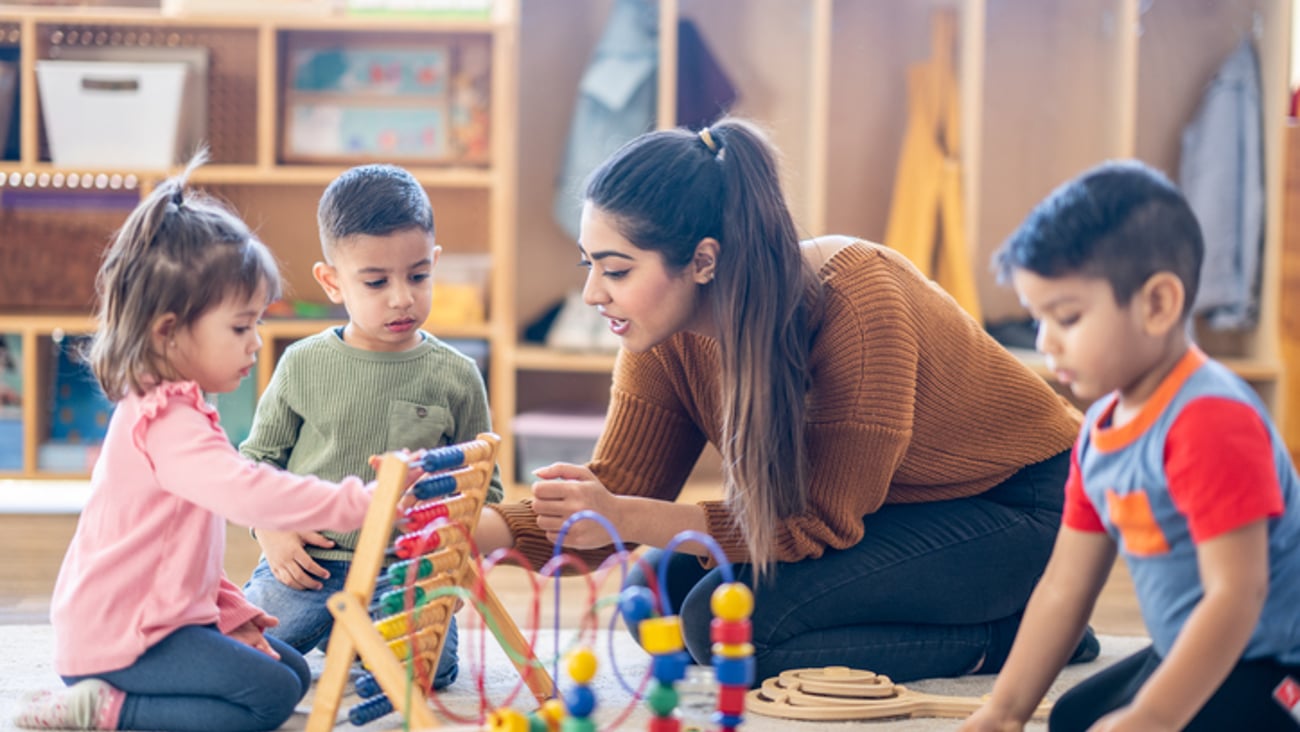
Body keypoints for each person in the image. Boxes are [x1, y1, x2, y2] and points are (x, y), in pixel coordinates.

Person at [474, 117, 1095, 684]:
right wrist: (478, 532)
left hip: (1030, 507)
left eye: (616, 271)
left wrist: (624, 515)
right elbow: (614, 492)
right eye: (590, 265)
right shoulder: (663, 336)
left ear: (703, 261)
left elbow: (815, 523)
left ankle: (1020, 636)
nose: (590, 294)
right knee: (656, 598)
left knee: (731, 634)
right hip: (897, 507)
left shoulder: (857, 306)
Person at [14, 153, 382, 732]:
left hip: (158, 619)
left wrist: (229, 614)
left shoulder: (180, 405)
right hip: (122, 638)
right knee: (266, 701)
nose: (256, 343)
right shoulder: (166, 421)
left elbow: (180, 555)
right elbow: (246, 495)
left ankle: (125, 697)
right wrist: (359, 502)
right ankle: (106, 709)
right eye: (241, 327)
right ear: (168, 331)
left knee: (286, 672)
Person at [960, 161, 1300, 732]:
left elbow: (1237, 595)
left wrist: (1156, 715)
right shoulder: (1099, 431)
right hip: (1195, 645)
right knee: (1073, 718)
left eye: (1066, 317)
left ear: (1158, 305)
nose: (1046, 343)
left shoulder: (1210, 419)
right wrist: (1003, 711)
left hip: (1274, 665)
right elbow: (1065, 587)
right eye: (1037, 317)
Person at [240, 163, 503, 691]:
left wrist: (441, 547)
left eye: (418, 275)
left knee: (426, 674)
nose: (402, 297)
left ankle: (352, 638)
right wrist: (271, 530)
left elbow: (486, 491)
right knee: (239, 655)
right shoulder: (301, 363)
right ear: (332, 281)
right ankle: (338, 631)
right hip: (308, 565)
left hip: (404, 575)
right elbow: (253, 463)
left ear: (435, 263)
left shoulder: (458, 375)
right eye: (376, 281)